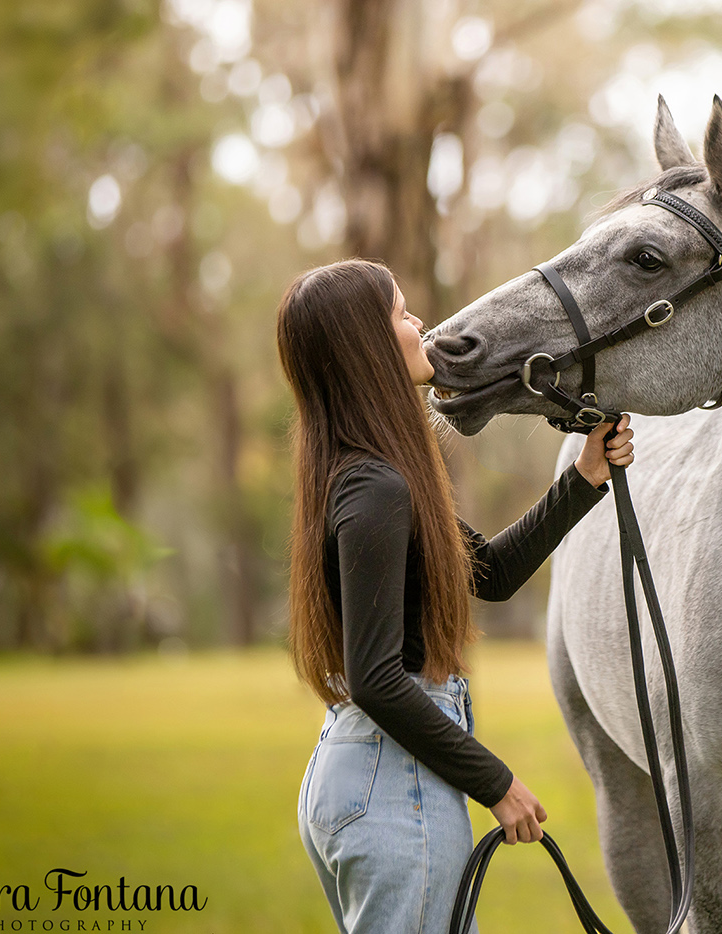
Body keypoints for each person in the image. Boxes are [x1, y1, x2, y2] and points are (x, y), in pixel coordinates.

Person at [276, 259, 633, 934]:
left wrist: (585, 477)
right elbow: (377, 677)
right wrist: (495, 783)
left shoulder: (368, 474)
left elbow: (490, 574)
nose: (419, 326)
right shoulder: (376, 488)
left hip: (366, 773)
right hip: (394, 785)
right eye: (401, 314)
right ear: (367, 345)